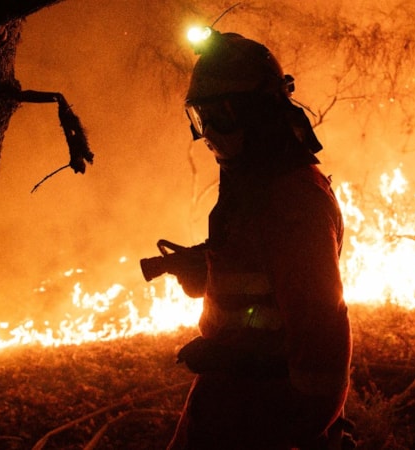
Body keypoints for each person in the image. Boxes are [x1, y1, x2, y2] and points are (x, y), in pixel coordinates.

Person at [164, 28, 353, 450]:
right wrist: (207, 267)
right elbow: (257, 278)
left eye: (222, 115)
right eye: (200, 116)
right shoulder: (252, 181)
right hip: (227, 406)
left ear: (259, 113)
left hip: (270, 420)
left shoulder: (294, 202)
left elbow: (320, 342)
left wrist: (235, 361)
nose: (208, 131)